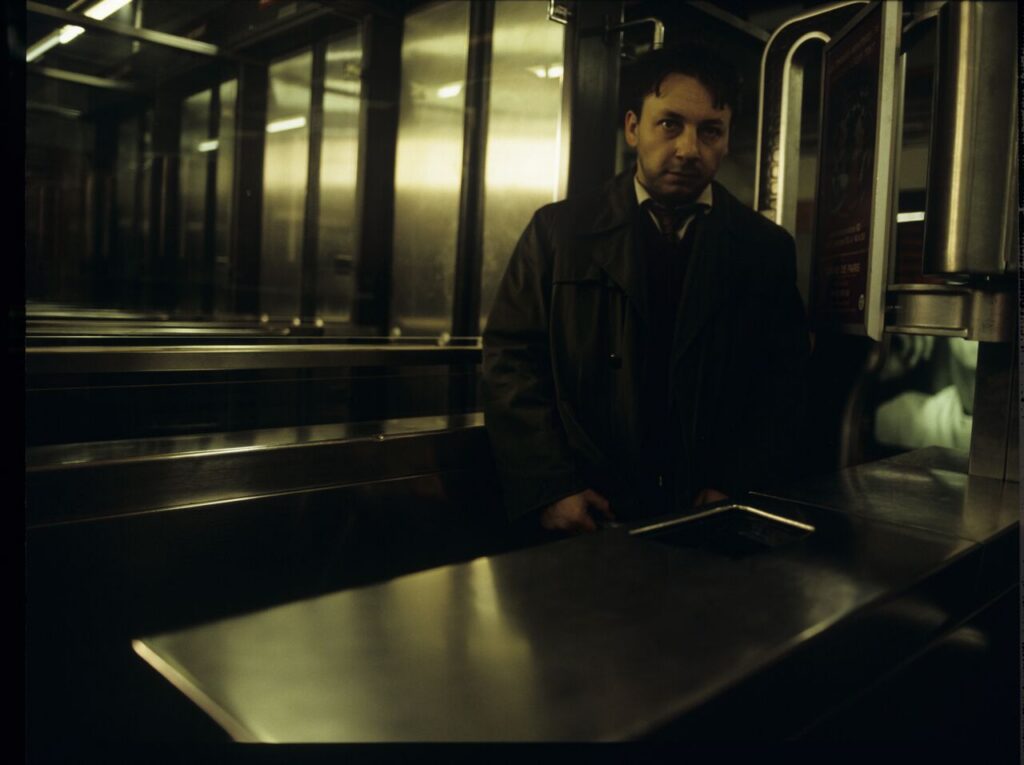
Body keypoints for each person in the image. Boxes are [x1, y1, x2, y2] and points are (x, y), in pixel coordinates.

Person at [481, 45, 810, 535]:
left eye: (710, 131)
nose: (688, 149)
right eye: (670, 124)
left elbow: (783, 383)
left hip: (707, 514)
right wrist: (550, 486)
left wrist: (734, 483)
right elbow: (511, 361)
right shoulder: (559, 233)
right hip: (590, 507)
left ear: (726, 139)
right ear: (633, 128)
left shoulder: (764, 249)